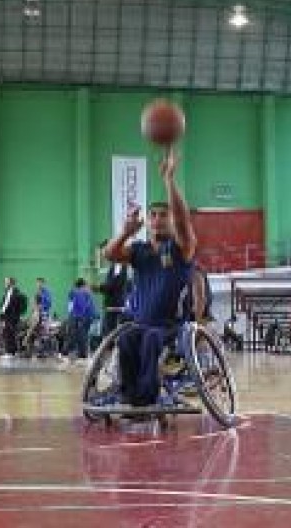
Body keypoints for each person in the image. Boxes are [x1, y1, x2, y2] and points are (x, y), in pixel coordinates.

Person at [103, 146, 196, 407]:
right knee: (126, 338)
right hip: (140, 323)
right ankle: (129, 395)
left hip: (170, 327)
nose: (157, 219)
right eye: (153, 215)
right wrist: (124, 232)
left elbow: (184, 220)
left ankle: (147, 398)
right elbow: (110, 254)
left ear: (171, 220)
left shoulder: (181, 249)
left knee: (152, 338)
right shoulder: (140, 251)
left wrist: (169, 180)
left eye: (163, 215)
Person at [94, 242, 130, 340]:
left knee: (110, 335)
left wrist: (99, 287)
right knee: (108, 334)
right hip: (114, 304)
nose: (103, 255)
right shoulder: (116, 265)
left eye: (104, 252)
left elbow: (115, 284)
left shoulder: (118, 265)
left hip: (114, 305)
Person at [66, 278, 97, 361]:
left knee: (81, 335)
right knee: (83, 335)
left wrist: (79, 317)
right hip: (88, 317)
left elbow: (82, 306)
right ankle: (82, 354)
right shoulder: (87, 292)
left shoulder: (79, 292)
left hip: (83, 317)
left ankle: (83, 355)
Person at [0, 277, 26, 359]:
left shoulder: (15, 293)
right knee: (8, 333)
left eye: (6, 282)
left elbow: (10, 306)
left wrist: (16, 315)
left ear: (10, 283)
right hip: (8, 316)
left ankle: (10, 352)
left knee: (9, 333)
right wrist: (1, 314)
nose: (5, 284)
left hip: (12, 317)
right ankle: (12, 351)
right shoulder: (7, 292)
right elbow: (4, 305)